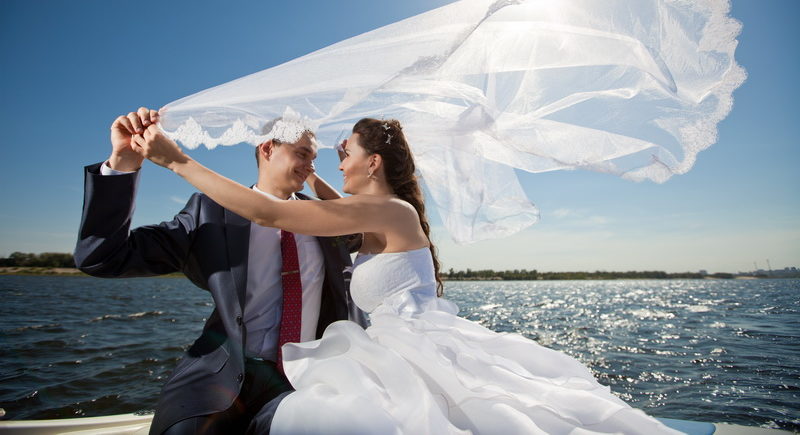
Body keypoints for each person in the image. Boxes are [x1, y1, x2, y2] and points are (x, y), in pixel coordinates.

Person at [130, 116, 681, 434]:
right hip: (396, 343)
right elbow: (331, 207)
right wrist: (316, 181)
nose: (332, 164)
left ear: (372, 164)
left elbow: (273, 213)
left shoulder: (387, 213)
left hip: (411, 346)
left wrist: (175, 159)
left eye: (344, 153)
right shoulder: (378, 214)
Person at [73, 107, 367, 435]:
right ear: (267, 148)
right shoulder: (210, 213)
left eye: (314, 157)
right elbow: (102, 257)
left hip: (309, 381)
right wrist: (123, 164)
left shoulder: (324, 219)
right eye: (301, 153)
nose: (311, 164)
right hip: (221, 376)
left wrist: (306, 170)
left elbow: (358, 230)